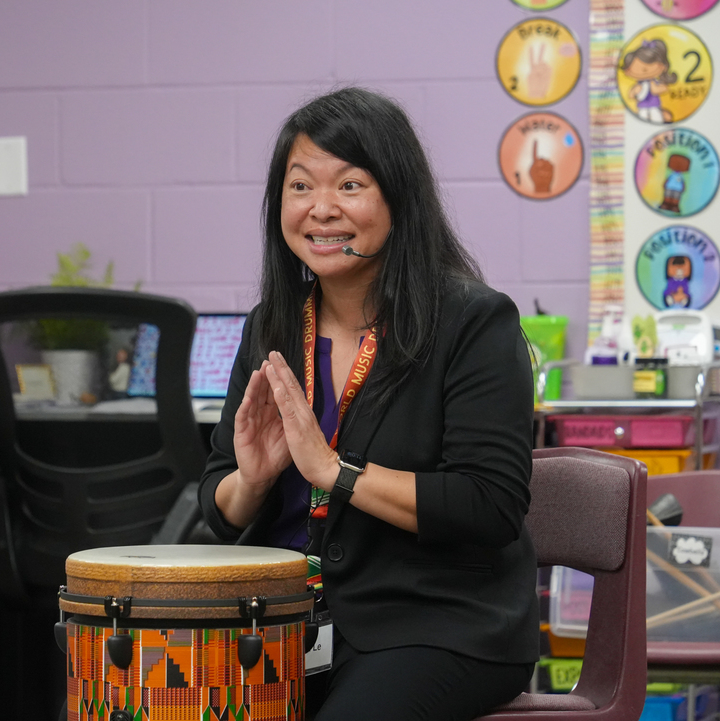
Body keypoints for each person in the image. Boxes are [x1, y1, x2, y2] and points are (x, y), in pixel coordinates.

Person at [198, 87, 538, 720]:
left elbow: (488, 505)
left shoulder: (471, 321)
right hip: (284, 622)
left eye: (350, 186)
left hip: (436, 625)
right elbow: (220, 506)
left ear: (398, 199)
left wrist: (335, 475)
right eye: (301, 187)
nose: (321, 209)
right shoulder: (271, 326)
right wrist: (252, 479)